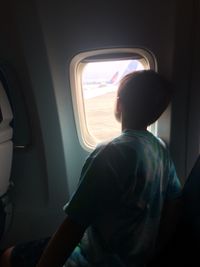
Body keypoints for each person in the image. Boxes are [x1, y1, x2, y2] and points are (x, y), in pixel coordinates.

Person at [1, 70, 182, 267]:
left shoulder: (112, 153)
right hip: (137, 259)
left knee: (8, 256)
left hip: (95, 259)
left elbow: (73, 226)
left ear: (119, 103)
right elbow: (173, 203)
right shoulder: (160, 148)